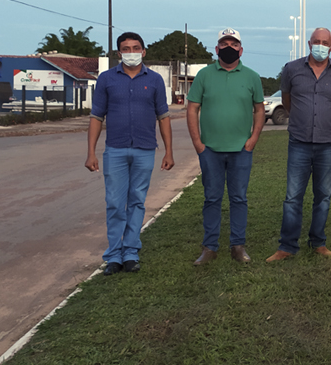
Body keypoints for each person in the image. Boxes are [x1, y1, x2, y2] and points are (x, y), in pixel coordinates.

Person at [86, 32, 174, 276]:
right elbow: (96, 117)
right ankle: (113, 255)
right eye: (126, 48)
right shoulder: (106, 80)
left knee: (136, 201)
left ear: (144, 52)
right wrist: (90, 152)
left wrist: (169, 151)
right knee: (114, 203)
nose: (131, 52)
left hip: (145, 149)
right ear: (119, 53)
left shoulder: (154, 80)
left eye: (136, 48)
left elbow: (163, 117)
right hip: (115, 149)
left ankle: (131, 252)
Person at [267, 28, 331, 262]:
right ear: (308, 43)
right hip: (299, 142)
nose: (320, 46)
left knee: (323, 195)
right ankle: (287, 246)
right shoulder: (292, 69)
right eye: (316, 42)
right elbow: (287, 100)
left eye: (325, 43)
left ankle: (318, 242)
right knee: (293, 196)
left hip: (327, 143)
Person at [187, 28, 265, 265]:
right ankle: (210, 247)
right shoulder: (204, 75)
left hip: (241, 150)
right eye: (224, 44)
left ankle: (237, 246)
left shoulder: (251, 76)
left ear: (241, 49)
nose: (229, 48)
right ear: (217, 49)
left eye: (233, 44)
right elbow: (192, 108)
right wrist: (198, 143)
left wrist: (253, 139)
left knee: (239, 198)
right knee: (211, 198)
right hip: (210, 150)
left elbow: (260, 109)